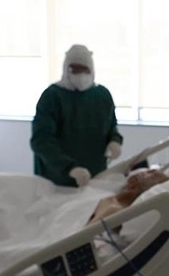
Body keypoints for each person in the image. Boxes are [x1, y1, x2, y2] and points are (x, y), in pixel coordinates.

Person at [30, 44, 123, 187]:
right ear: (66, 69)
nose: (81, 75)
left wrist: (115, 141)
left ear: (92, 70)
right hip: (56, 182)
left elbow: (111, 126)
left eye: (85, 70)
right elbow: (42, 140)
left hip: (95, 179)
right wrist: (69, 168)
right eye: (75, 70)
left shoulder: (102, 96)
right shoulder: (52, 97)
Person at [87, 169, 169, 225]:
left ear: (133, 184)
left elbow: (84, 237)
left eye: (150, 172)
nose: (143, 171)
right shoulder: (109, 197)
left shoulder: (113, 210)